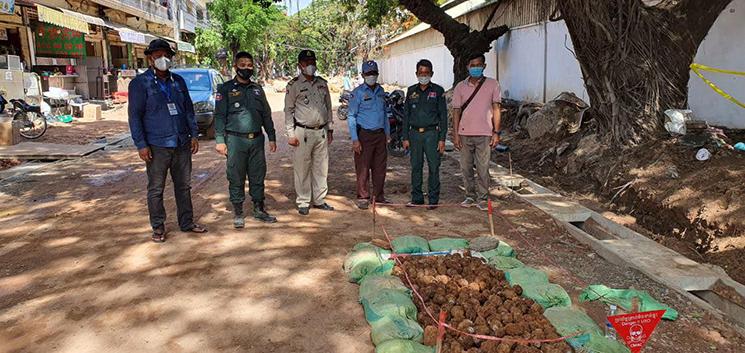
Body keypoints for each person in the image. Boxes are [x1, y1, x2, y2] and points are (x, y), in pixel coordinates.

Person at [128, 39, 207, 242]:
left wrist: (193, 134)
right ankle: (158, 227)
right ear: (150, 58)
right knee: (156, 188)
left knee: (184, 186)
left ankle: (187, 222)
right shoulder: (139, 84)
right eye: (158, 55)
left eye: (166, 55)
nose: (162, 59)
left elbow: (188, 109)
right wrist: (141, 144)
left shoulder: (178, 81)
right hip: (156, 145)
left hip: (181, 143)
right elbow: (135, 116)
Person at [214, 51, 278, 228]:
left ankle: (259, 209)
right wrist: (220, 140)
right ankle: (238, 212)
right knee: (236, 176)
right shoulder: (225, 89)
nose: (246, 68)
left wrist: (271, 136)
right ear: (236, 66)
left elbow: (266, 114)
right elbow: (219, 116)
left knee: (258, 175)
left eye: (249, 65)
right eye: (242, 65)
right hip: (235, 141)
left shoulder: (257, 89)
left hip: (257, 140)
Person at [284, 50, 334, 215]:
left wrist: (330, 128)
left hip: (321, 132)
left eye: (312, 61)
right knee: (302, 168)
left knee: (321, 167)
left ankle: (319, 199)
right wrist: (290, 134)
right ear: (300, 65)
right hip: (302, 132)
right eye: (306, 63)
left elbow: (328, 107)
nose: (310, 65)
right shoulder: (294, 85)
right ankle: (303, 201)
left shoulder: (322, 83)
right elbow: (288, 110)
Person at [451, 53, 502, 211]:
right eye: (472, 65)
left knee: (483, 168)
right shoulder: (460, 87)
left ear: (484, 66)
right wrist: (456, 134)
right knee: (465, 167)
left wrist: (496, 132)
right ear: (467, 67)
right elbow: (456, 111)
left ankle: (483, 198)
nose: (475, 68)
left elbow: (496, 108)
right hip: (465, 134)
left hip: (485, 134)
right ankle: (470, 196)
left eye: (478, 65)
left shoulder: (493, 84)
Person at [402, 59, 447, 210]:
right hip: (414, 134)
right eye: (421, 73)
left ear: (431, 74)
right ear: (416, 74)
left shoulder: (438, 91)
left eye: (426, 73)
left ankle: (433, 200)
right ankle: (417, 198)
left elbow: (443, 117)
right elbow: (406, 115)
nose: (423, 75)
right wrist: (405, 137)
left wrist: (442, 139)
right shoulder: (411, 91)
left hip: (432, 135)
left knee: (434, 167)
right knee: (416, 166)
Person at [347, 60, 389, 209]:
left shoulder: (381, 91)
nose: (371, 76)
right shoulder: (357, 93)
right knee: (363, 167)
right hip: (364, 134)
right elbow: (351, 116)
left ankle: (378, 195)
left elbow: (384, 114)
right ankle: (363, 196)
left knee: (380, 167)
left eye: (374, 73)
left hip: (380, 135)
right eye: (368, 73)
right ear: (363, 75)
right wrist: (355, 139)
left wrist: (387, 133)